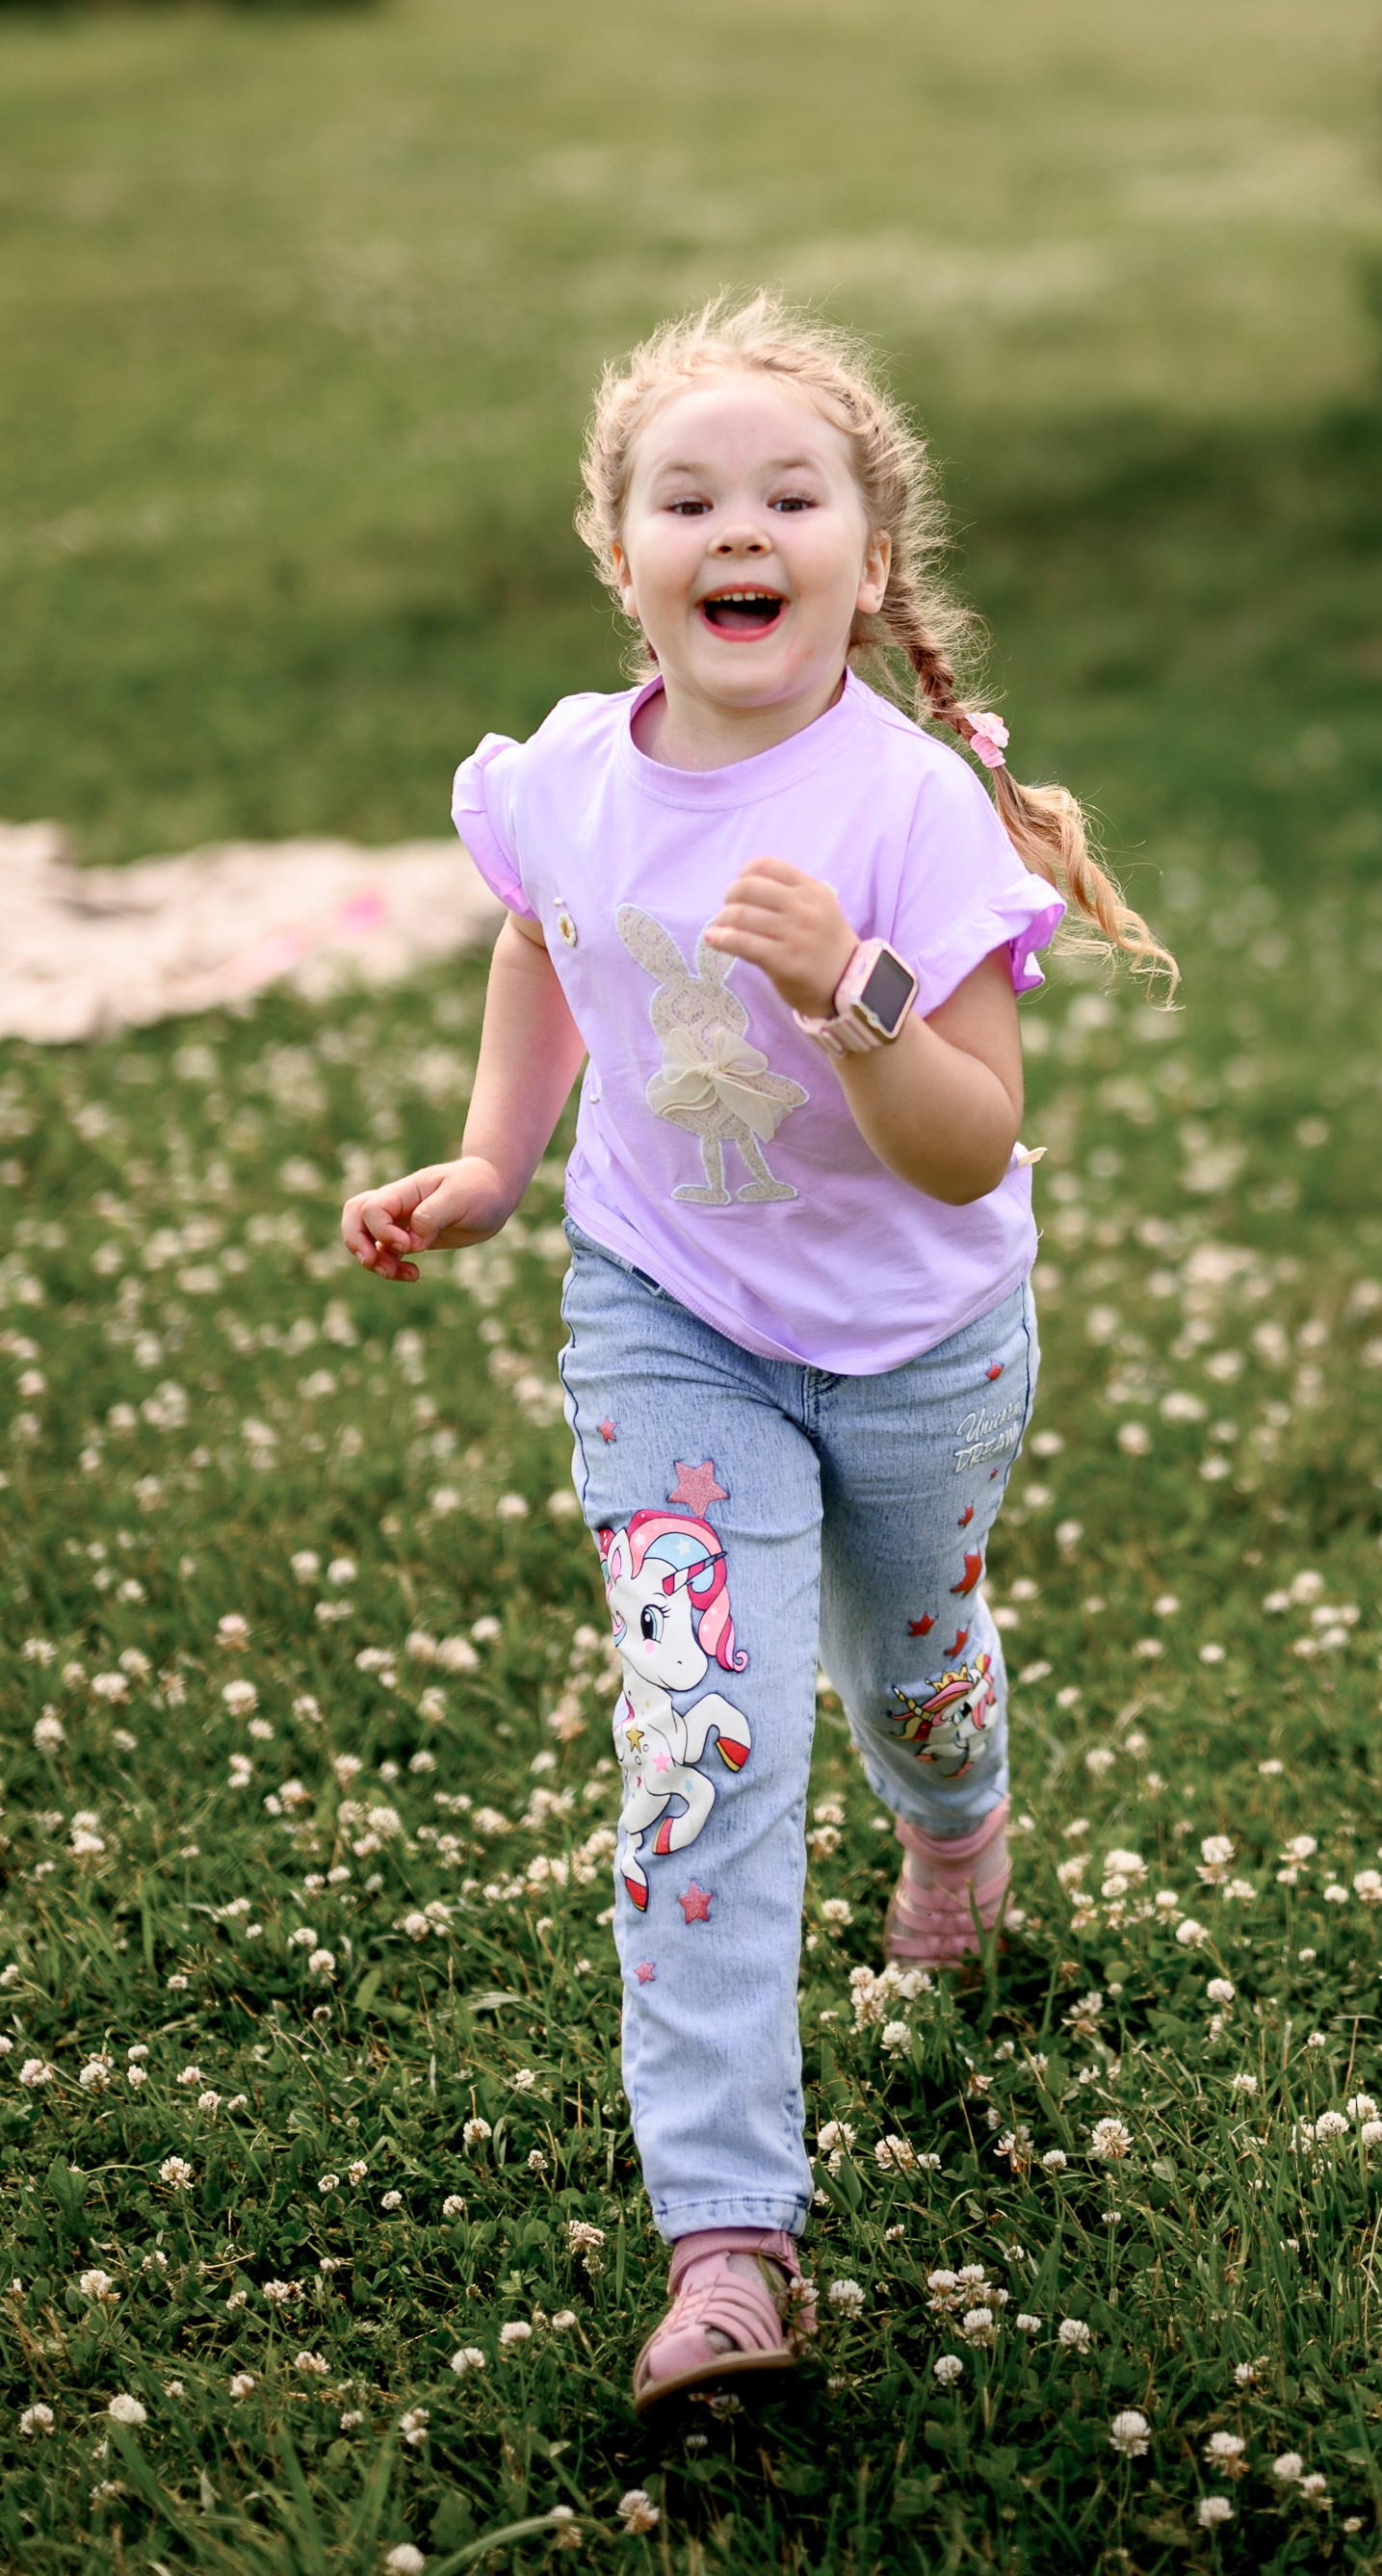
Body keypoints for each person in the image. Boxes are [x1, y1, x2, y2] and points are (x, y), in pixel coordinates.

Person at [340, 296, 1171, 2408]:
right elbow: (548, 937)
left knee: (910, 1667)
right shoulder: (560, 779)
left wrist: (856, 993)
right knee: (701, 1733)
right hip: (667, 1319)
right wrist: (488, 1160)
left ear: (865, 566)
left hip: (918, 1344)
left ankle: (953, 1825)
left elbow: (971, 1142)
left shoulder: (908, 813)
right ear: (619, 552)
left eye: (790, 496)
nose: (740, 525)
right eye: (685, 494)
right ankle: (729, 2246)